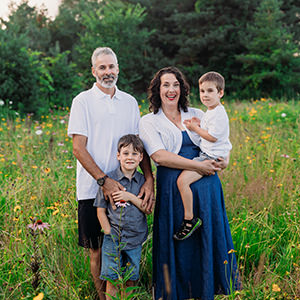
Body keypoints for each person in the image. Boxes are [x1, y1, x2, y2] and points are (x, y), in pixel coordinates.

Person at [139, 66, 241, 300]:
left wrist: (224, 160)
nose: (171, 89)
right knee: (180, 241)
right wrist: (199, 167)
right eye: (166, 85)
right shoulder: (148, 121)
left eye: (175, 84)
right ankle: (176, 291)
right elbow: (159, 156)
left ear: (182, 88)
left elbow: (220, 138)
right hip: (174, 188)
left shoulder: (196, 112)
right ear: (158, 89)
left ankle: (207, 290)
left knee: (205, 239)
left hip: (206, 187)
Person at [67, 47, 154, 300]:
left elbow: (140, 145)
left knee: (127, 248)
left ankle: (123, 295)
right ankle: (102, 298)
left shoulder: (128, 102)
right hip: (91, 188)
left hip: (128, 186)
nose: (108, 72)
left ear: (118, 68)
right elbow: (78, 148)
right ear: (94, 71)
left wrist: (148, 178)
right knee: (97, 250)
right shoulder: (82, 101)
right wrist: (104, 181)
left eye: (111, 66)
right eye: (102, 67)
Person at [174, 71, 232, 241]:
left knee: (182, 181)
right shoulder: (211, 111)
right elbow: (212, 131)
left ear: (220, 93)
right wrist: (198, 124)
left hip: (209, 157)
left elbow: (213, 137)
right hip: (208, 154)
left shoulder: (219, 113)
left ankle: (189, 220)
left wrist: (195, 129)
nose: (205, 95)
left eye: (210, 91)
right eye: (202, 91)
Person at [94, 134, 150, 300]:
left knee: (131, 278)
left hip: (135, 238)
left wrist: (131, 197)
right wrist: (108, 231)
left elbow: (148, 209)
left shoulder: (143, 182)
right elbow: (100, 209)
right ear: (118, 156)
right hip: (113, 238)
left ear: (141, 157)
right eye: (126, 153)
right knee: (112, 279)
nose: (130, 157)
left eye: (134, 154)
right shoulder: (109, 180)